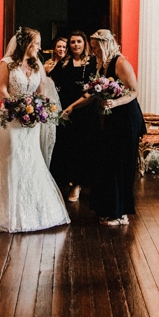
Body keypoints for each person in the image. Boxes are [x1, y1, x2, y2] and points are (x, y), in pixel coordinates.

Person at [0, 27, 70, 233]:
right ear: (26, 44)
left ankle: (35, 209)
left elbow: (42, 92)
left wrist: (38, 110)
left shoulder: (37, 65)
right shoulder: (6, 63)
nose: (40, 47)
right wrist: (18, 109)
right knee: (13, 160)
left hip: (32, 122)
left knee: (32, 160)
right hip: (11, 120)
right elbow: (2, 89)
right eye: (36, 43)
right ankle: (9, 212)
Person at [63, 29, 144, 226]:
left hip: (126, 119)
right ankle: (112, 210)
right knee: (108, 164)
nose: (93, 51)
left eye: (96, 46)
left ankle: (122, 213)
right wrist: (72, 107)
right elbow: (91, 94)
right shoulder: (103, 65)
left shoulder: (120, 62)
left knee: (120, 165)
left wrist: (115, 104)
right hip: (112, 120)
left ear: (105, 44)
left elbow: (134, 92)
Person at [49, 30, 97, 201]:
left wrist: (73, 106)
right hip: (65, 111)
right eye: (72, 42)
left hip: (85, 111)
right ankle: (66, 181)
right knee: (66, 146)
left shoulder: (92, 62)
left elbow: (94, 89)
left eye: (79, 42)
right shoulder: (64, 63)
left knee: (82, 148)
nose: (75, 45)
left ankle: (78, 185)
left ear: (85, 44)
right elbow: (51, 80)